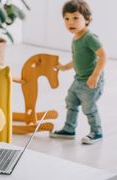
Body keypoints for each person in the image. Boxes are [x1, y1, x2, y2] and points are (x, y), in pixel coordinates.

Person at [50, 0, 106, 145]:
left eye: (76, 18)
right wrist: (64, 67)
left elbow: (103, 56)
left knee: (89, 107)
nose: (70, 22)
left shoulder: (89, 37)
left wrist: (95, 75)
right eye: (67, 18)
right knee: (71, 101)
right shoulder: (76, 38)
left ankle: (97, 132)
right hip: (79, 79)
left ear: (86, 19)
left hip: (91, 81)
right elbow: (77, 60)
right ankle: (69, 129)